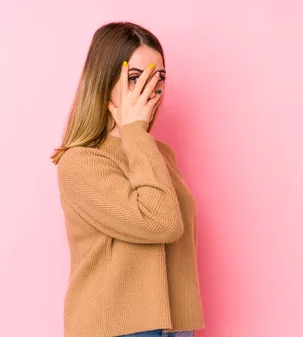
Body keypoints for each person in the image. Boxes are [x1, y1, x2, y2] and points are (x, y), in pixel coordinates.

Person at [50, 22, 205, 337]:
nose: (151, 89)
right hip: (117, 327)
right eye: (135, 77)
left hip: (173, 326)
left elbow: (176, 237)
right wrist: (134, 131)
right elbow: (162, 222)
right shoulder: (80, 162)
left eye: (158, 77)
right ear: (104, 80)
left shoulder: (157, 154)